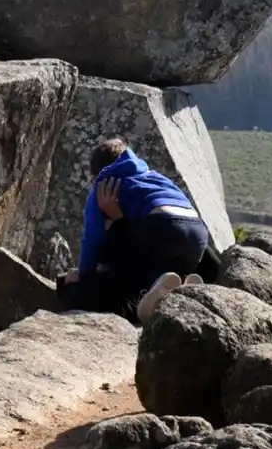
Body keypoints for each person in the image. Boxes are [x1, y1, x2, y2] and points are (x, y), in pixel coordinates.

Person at [57, 138, 210, 324]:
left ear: (94, 173)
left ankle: (151, 290)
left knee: (115, 238)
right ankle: (180, 289)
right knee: (161, 262)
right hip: (198, 232)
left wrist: (83, 274)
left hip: (161, 226)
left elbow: (92, 238)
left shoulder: (104, 183)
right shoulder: (154, 176)